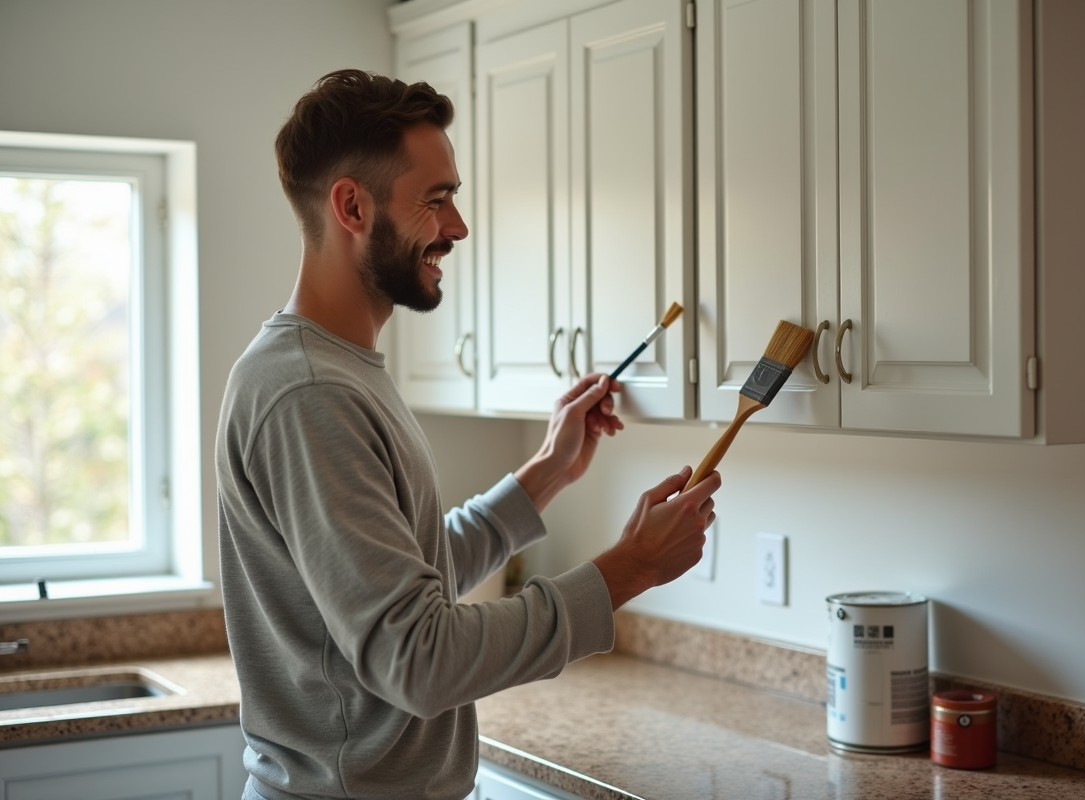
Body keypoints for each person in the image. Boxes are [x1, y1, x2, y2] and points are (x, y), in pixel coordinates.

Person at [215, 69, 721, 800]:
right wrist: (630, 568)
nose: (457, 227)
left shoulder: (336, 371)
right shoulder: (309, 391)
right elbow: (418, 660)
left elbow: (407, 577)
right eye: (436, 199)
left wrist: (548, 470)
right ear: (352, 206)